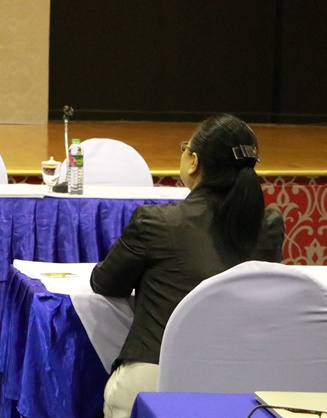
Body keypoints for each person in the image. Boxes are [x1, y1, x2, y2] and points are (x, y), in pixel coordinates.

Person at [90, 113, 284, 418]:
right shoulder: (268, 225)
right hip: (244, 382)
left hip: (155, 380)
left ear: (193, 161)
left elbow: (106, 283)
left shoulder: (156, 222)